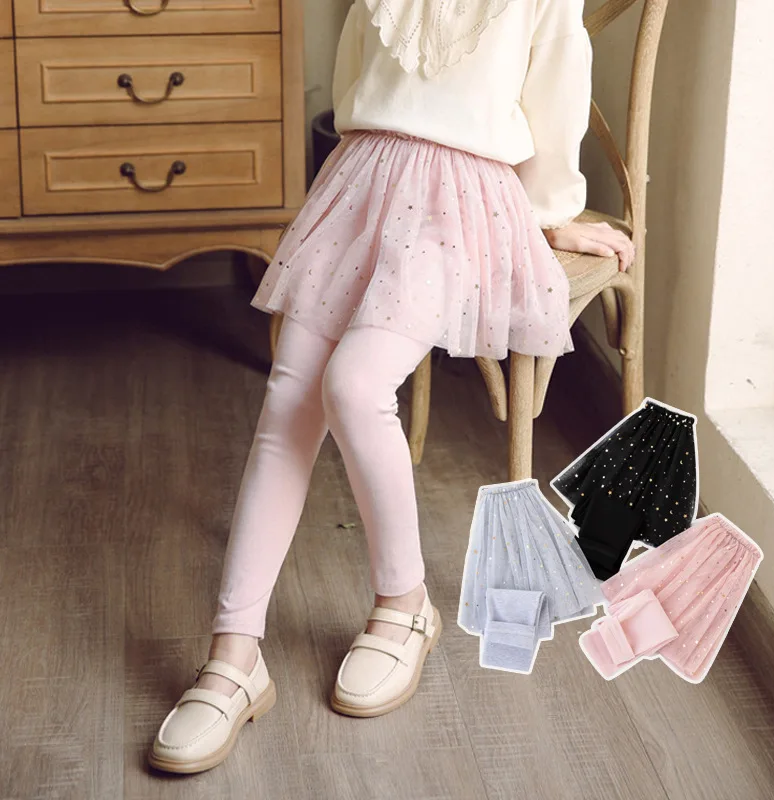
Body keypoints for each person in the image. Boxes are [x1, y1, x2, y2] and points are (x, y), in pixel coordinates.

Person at [148, 0, 635, 774]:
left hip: (465, 203)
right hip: (363, 183)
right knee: (288, 401)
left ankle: (404, 604)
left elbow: (556, 101)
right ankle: (234, 655)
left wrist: (551, 218)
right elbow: (354, 78)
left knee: (354, 384)